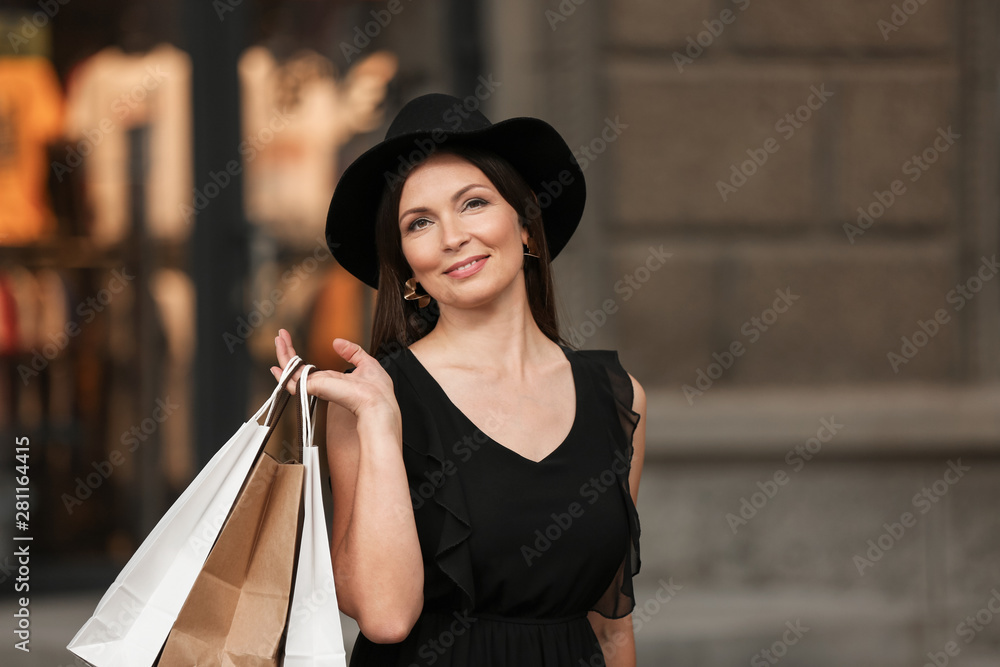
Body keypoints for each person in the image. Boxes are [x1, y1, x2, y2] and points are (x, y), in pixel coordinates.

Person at [271, 93, 646, 666]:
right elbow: (386, 618)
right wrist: (377, 422)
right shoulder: (371, 399)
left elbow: (612, 626)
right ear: (407, 267)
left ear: (525, 227)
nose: (451, 237)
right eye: (420, 222)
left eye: (473, 204)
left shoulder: (616, 397)